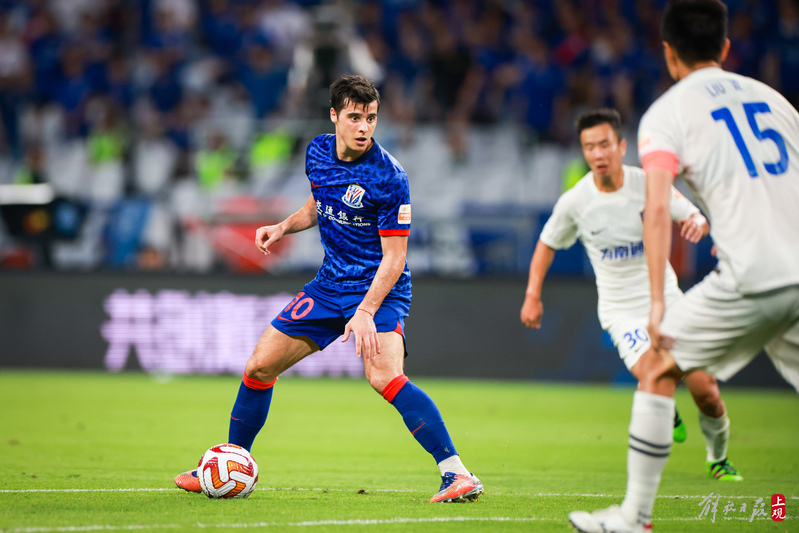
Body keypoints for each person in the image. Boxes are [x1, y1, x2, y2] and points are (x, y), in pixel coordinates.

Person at [174, 75, 483, 504]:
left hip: (379, 290)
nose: (364, 127)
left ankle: (457, 474)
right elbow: (319, 202)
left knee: (384, 377)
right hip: (329, 286)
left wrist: (366, 311)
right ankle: (231, 464)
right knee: (259, 366)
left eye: (371, 118)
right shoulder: (317, 150)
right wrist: (283, 226)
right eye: (355, 117)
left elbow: (395, 258)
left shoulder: (390, 177)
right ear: (335, 115)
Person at [569, 1, 799, 532]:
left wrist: (656, 303)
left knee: (656, 368)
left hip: (753, 276)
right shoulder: (775, 101)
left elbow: (655, 212)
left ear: (669, 54)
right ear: (724, 48)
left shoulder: (668, 114)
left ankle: (634, 519)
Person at [520, 108, 742, 482]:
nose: (598, 154)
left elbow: (694, 217)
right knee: (654, 378)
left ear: (622, 146)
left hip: (669, 300)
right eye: (589, 147)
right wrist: (532, 295)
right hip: (622, 312)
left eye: (604, 144)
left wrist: (697, 222)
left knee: (707, 391)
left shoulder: (648, 185)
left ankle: (717, 458)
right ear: (584, 152)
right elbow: (546, 243)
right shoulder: (577, 201)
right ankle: (663, 415)